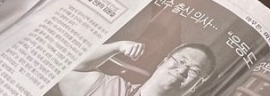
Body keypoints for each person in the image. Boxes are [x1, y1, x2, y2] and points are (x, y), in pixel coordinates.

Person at [52, 40, 216, 96]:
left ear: (196, 86)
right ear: (162, 62)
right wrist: (117, 46)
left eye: (194, 71)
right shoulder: (111, 88)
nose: (182, 71)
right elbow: (68, 67)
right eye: (180, 61)